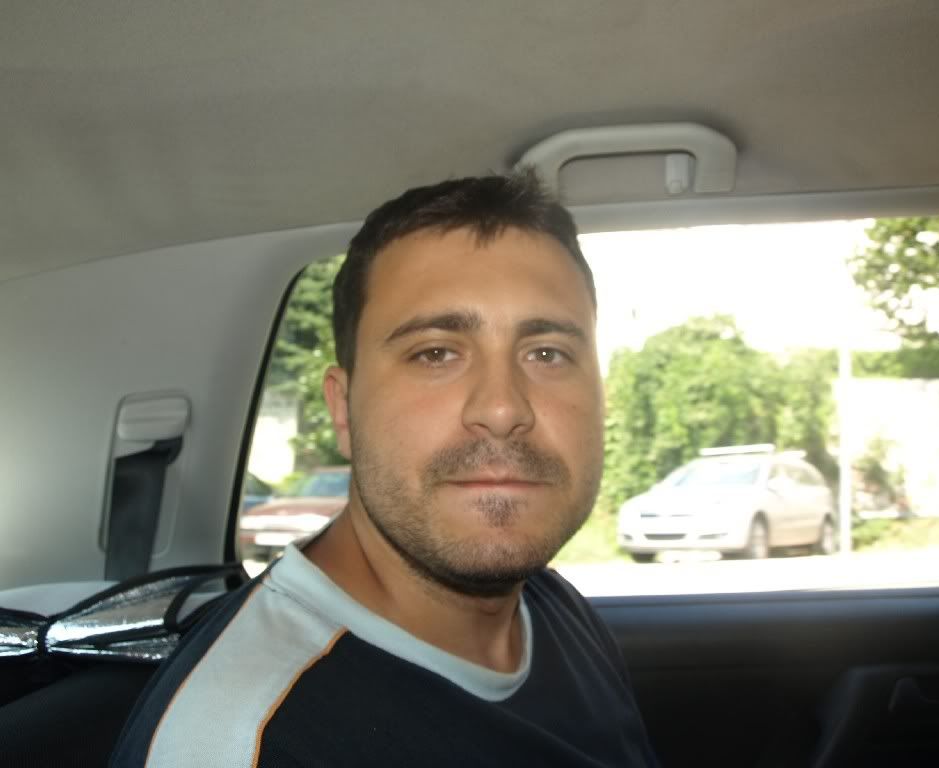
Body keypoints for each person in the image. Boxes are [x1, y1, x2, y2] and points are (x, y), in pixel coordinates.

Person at [111, 170, 660, 767]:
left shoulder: (553, 606)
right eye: (435, 353)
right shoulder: (237, 742)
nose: (503, 409)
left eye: (547, 354)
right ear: (343, 410)